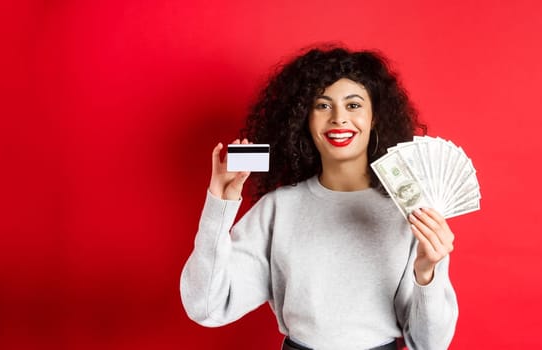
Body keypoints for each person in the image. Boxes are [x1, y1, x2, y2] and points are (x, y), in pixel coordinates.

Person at [180, 46, 458, 350]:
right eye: (323, 106)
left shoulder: (409, 213)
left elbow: (430, 344)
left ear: (375, 117)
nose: (339, 118)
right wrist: (218, 205)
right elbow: (206, 306)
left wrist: (427, 271)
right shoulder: (278, 210)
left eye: (353, 105)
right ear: (304, 119)